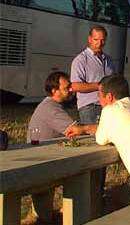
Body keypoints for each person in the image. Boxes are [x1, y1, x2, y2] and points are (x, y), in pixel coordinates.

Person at [27, 71, 80, 224]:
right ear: (54, 91)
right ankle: (73, 216)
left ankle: (48, 217)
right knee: (79, 172)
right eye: (67, 87)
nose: (71, 90)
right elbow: (74, 130)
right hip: (41, 163)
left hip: (42, 158)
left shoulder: (49, 105)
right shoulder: (51, 108)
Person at [70, 25, 115, 125]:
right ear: (89, 39)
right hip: (90, 107)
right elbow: (75, 86)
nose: (99, 43)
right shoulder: (80, 60)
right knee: (93, 139)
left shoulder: (109, 60)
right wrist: (100, 86)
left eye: (102, 40)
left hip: (108, 106)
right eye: (96, 39)